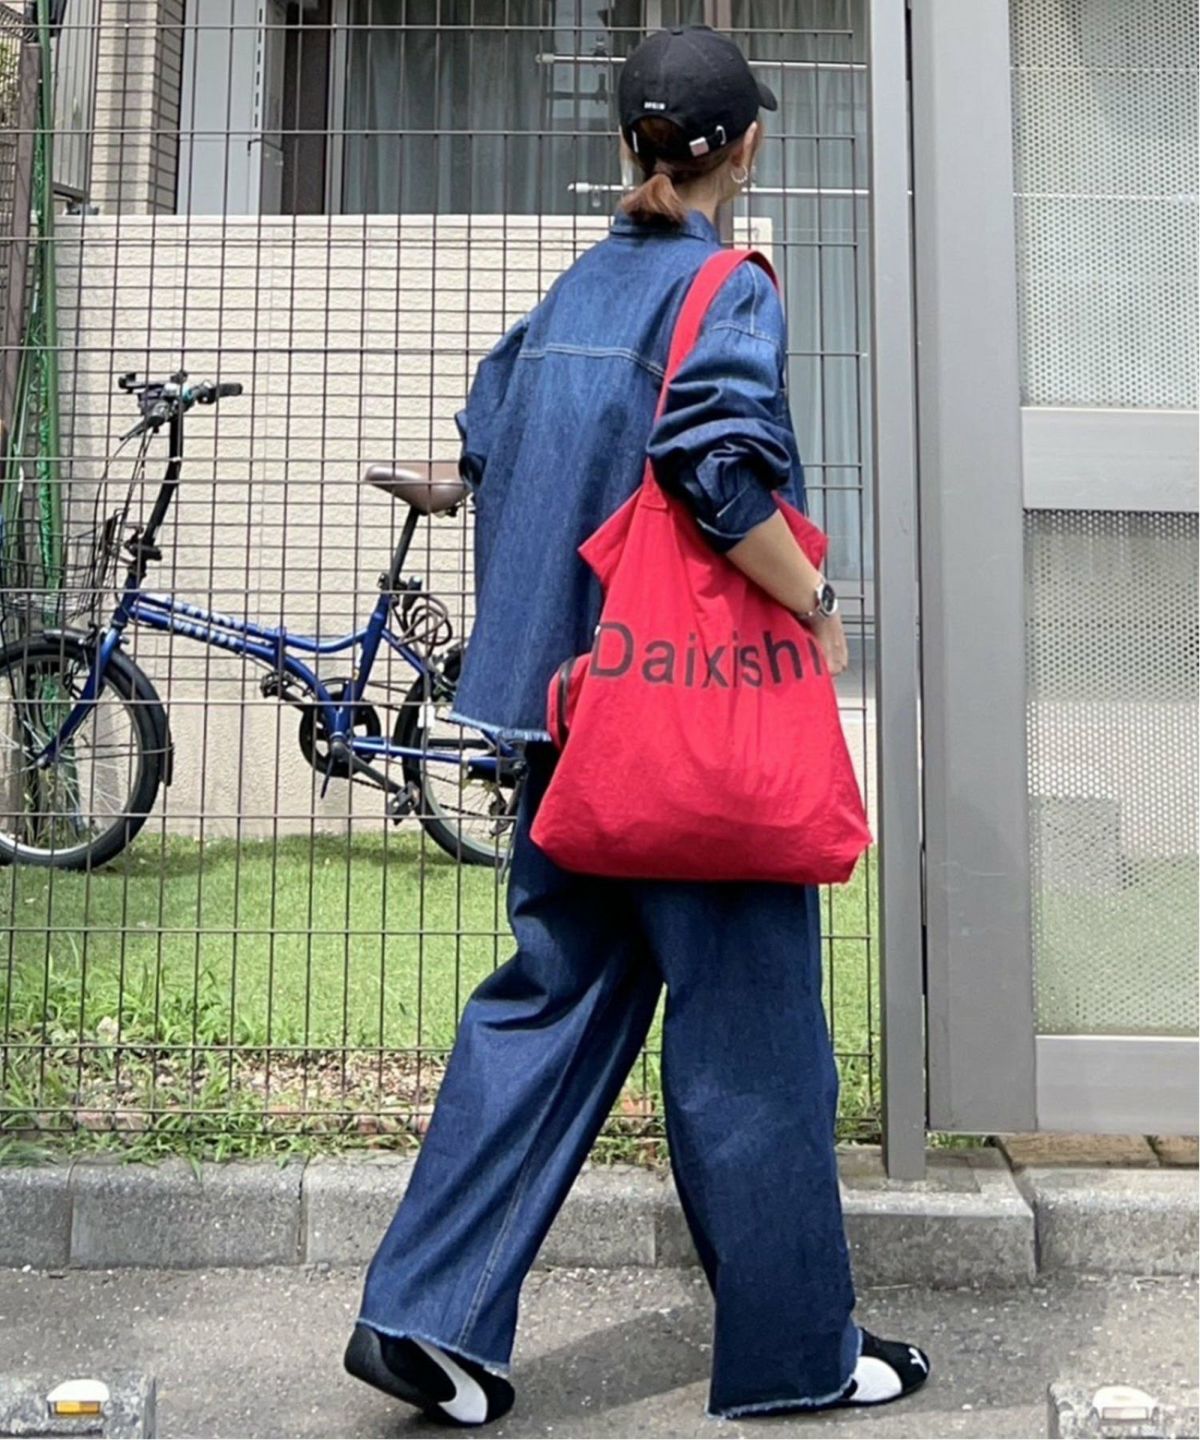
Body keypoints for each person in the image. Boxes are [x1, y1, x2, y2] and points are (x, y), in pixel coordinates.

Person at [344, 25, 929, 1425]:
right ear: (747, 148)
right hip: (683, 733)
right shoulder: (726, 286)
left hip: (565, 726)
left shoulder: (576, 287)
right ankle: (796, 1358)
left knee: (546, 1007)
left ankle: (425, 1315)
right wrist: (817, 599)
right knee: (754, 1045)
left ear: (627, 146)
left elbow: (484, 442)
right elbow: (716, 469)